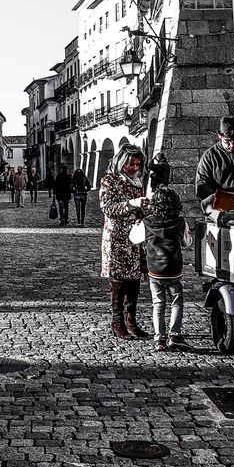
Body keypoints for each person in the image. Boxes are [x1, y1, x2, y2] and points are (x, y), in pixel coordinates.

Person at [99, 145, 149, 340]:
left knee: (134, 281)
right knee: (118, 282)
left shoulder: (137, 182)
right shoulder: (109, 180)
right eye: (131, 164)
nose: (135, 168)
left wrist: (145, 208)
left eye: (138, 164)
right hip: (117, 238)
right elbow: (107, 208)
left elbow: (140, 208)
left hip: (135, 238)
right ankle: (117, 323)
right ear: (122, 162)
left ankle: (132, 322)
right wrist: (131, 204)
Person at [139, 186, 189, 352]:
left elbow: (134, 237)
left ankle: (159, 339)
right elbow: (187, 242)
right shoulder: (180, 222)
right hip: (174, 268)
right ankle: (174, 334)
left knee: (158, 304)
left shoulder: (147, 222)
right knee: (176, 302)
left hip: (155, 269)